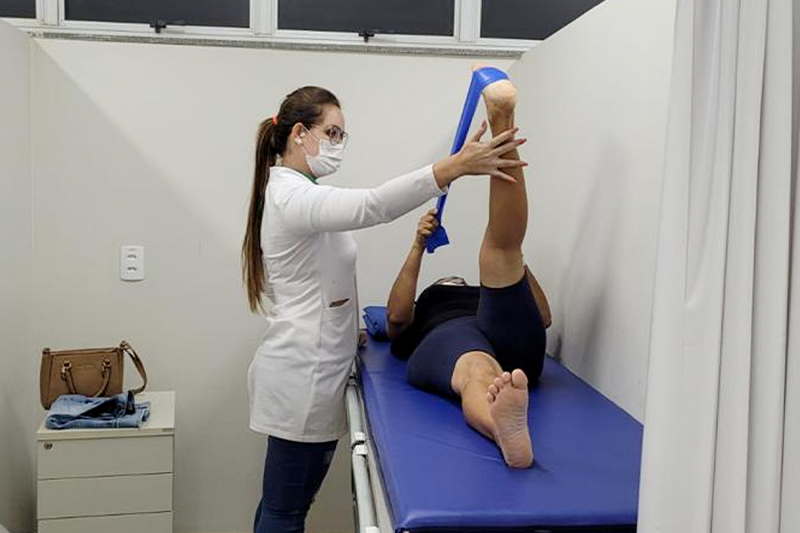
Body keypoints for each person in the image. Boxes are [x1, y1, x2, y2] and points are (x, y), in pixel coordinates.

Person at [242, 82, 527, 532]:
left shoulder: (300, 192)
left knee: (281, 505)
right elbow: (374, 205)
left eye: (341, 136)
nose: (338, 144)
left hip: (313, 365)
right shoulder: (292, 197)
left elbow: (319, 284)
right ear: (299, 133)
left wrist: (345, 327)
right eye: (332, 133)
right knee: (284, 510)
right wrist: (452, 168)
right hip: (302, 375)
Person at [386, 72, 551, 469]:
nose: (453, 281)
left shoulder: (477, 291)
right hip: (459, 337)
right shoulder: (433, 300)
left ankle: (502, 122)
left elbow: (543, 317)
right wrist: (416, 247)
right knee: (479, 369)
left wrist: (515, 267)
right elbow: (394, 318)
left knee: (501, 249)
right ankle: (503, 428)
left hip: (503, 330)